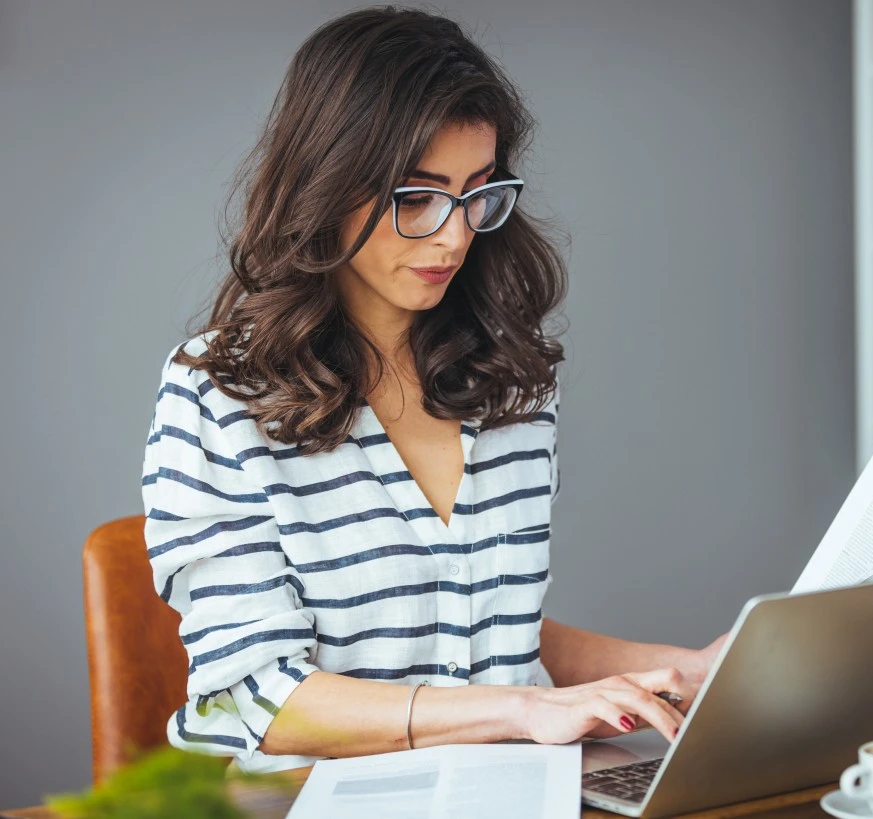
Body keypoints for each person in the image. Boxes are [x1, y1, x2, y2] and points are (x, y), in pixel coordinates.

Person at [141, 5, 725, 774]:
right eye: (415, 198)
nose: (455, 235)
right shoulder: (219, 390)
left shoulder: (511, 380)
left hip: (498, 786)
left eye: (477, 192)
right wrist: (523, 711)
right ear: (327, 183)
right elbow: (260, 697)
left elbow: (482, 625)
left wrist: (681, 670)